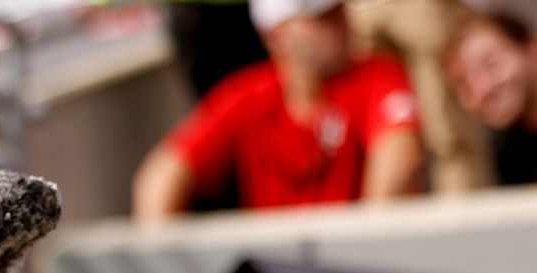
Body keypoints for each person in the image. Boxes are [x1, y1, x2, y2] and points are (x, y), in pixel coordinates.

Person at [133, 0, 426, 220]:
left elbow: (400, 158)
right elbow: (163, 173)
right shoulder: (248, 94)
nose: (343, 23)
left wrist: (362, 251)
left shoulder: (377, 75)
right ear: (276, 35)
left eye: (339, 10)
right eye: (322, 19)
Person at [350, 0, 493, 190]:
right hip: (360, 12)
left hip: (422, 11)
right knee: (371, 135)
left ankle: (465, 214)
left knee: (449, 138)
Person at [444, 12, 537, 185]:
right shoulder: (504, 155)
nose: (481, 90)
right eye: (464, 82)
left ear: (532, 50)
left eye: (492, 64)